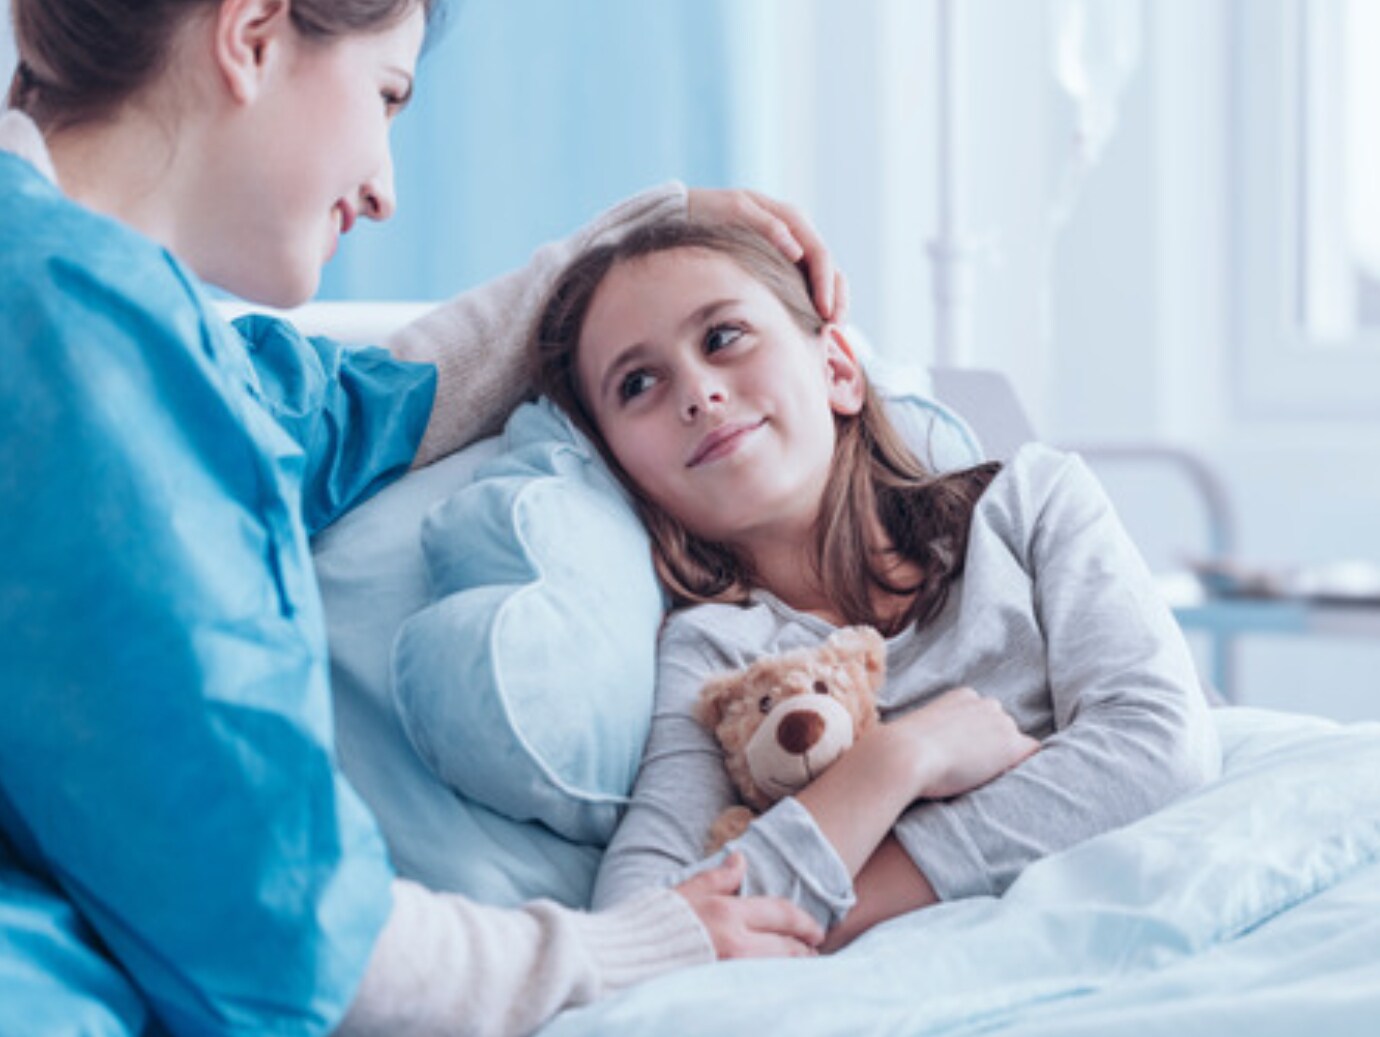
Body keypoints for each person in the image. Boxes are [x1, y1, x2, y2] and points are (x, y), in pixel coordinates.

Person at [0, 2, 844, 1035]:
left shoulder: (95, 305)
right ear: (253, 32)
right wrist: (630, 943)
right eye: (386, 95)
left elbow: (348, 407)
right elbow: (285, 936)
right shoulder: (80, 344)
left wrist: (632, 249)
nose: (387, 192)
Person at [534, 218, 1223, 952]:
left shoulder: (1034, 505)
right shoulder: (711, 655)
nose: (698, 393)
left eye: (723, 337)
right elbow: (646, 924)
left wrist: (838, 909)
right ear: (623, 470)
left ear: (837, 368)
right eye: (638, 383)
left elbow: (1159, 749)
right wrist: (896, 760)